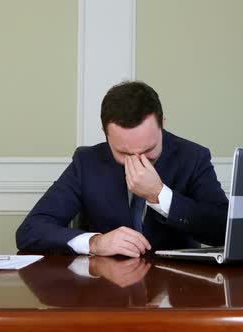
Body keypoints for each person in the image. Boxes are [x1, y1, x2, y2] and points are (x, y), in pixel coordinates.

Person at [16, 81, 228, 257]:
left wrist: (159, 195)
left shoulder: (192, 157)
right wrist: (95, 243)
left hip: (175, 290)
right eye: (124, 153)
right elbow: (30, 230)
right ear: (106, 134)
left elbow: (223, 230)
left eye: (149, 149)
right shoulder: (87, 162)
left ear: (162, 123)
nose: (138, 160)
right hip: (106, 289)